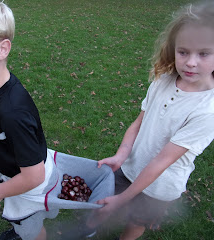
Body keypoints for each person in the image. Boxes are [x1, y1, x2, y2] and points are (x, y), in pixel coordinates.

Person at [0, 1, 115, 240]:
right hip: (19, 173)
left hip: (29, 186)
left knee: (31, 228)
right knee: (25, 225)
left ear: (2, 49)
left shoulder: (12, 112)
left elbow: (33, 176)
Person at [86, 1, 214, 240]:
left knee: (136, 222)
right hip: (130, 166)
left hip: (160, 187)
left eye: (204, 53)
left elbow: (162, 161)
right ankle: (89, 230)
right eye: (183, 51)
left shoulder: (207, 111)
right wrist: (121, 155)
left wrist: (122, 200)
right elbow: (139, 123)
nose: (191, 62)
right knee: (102, 203)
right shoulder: (164, 79)